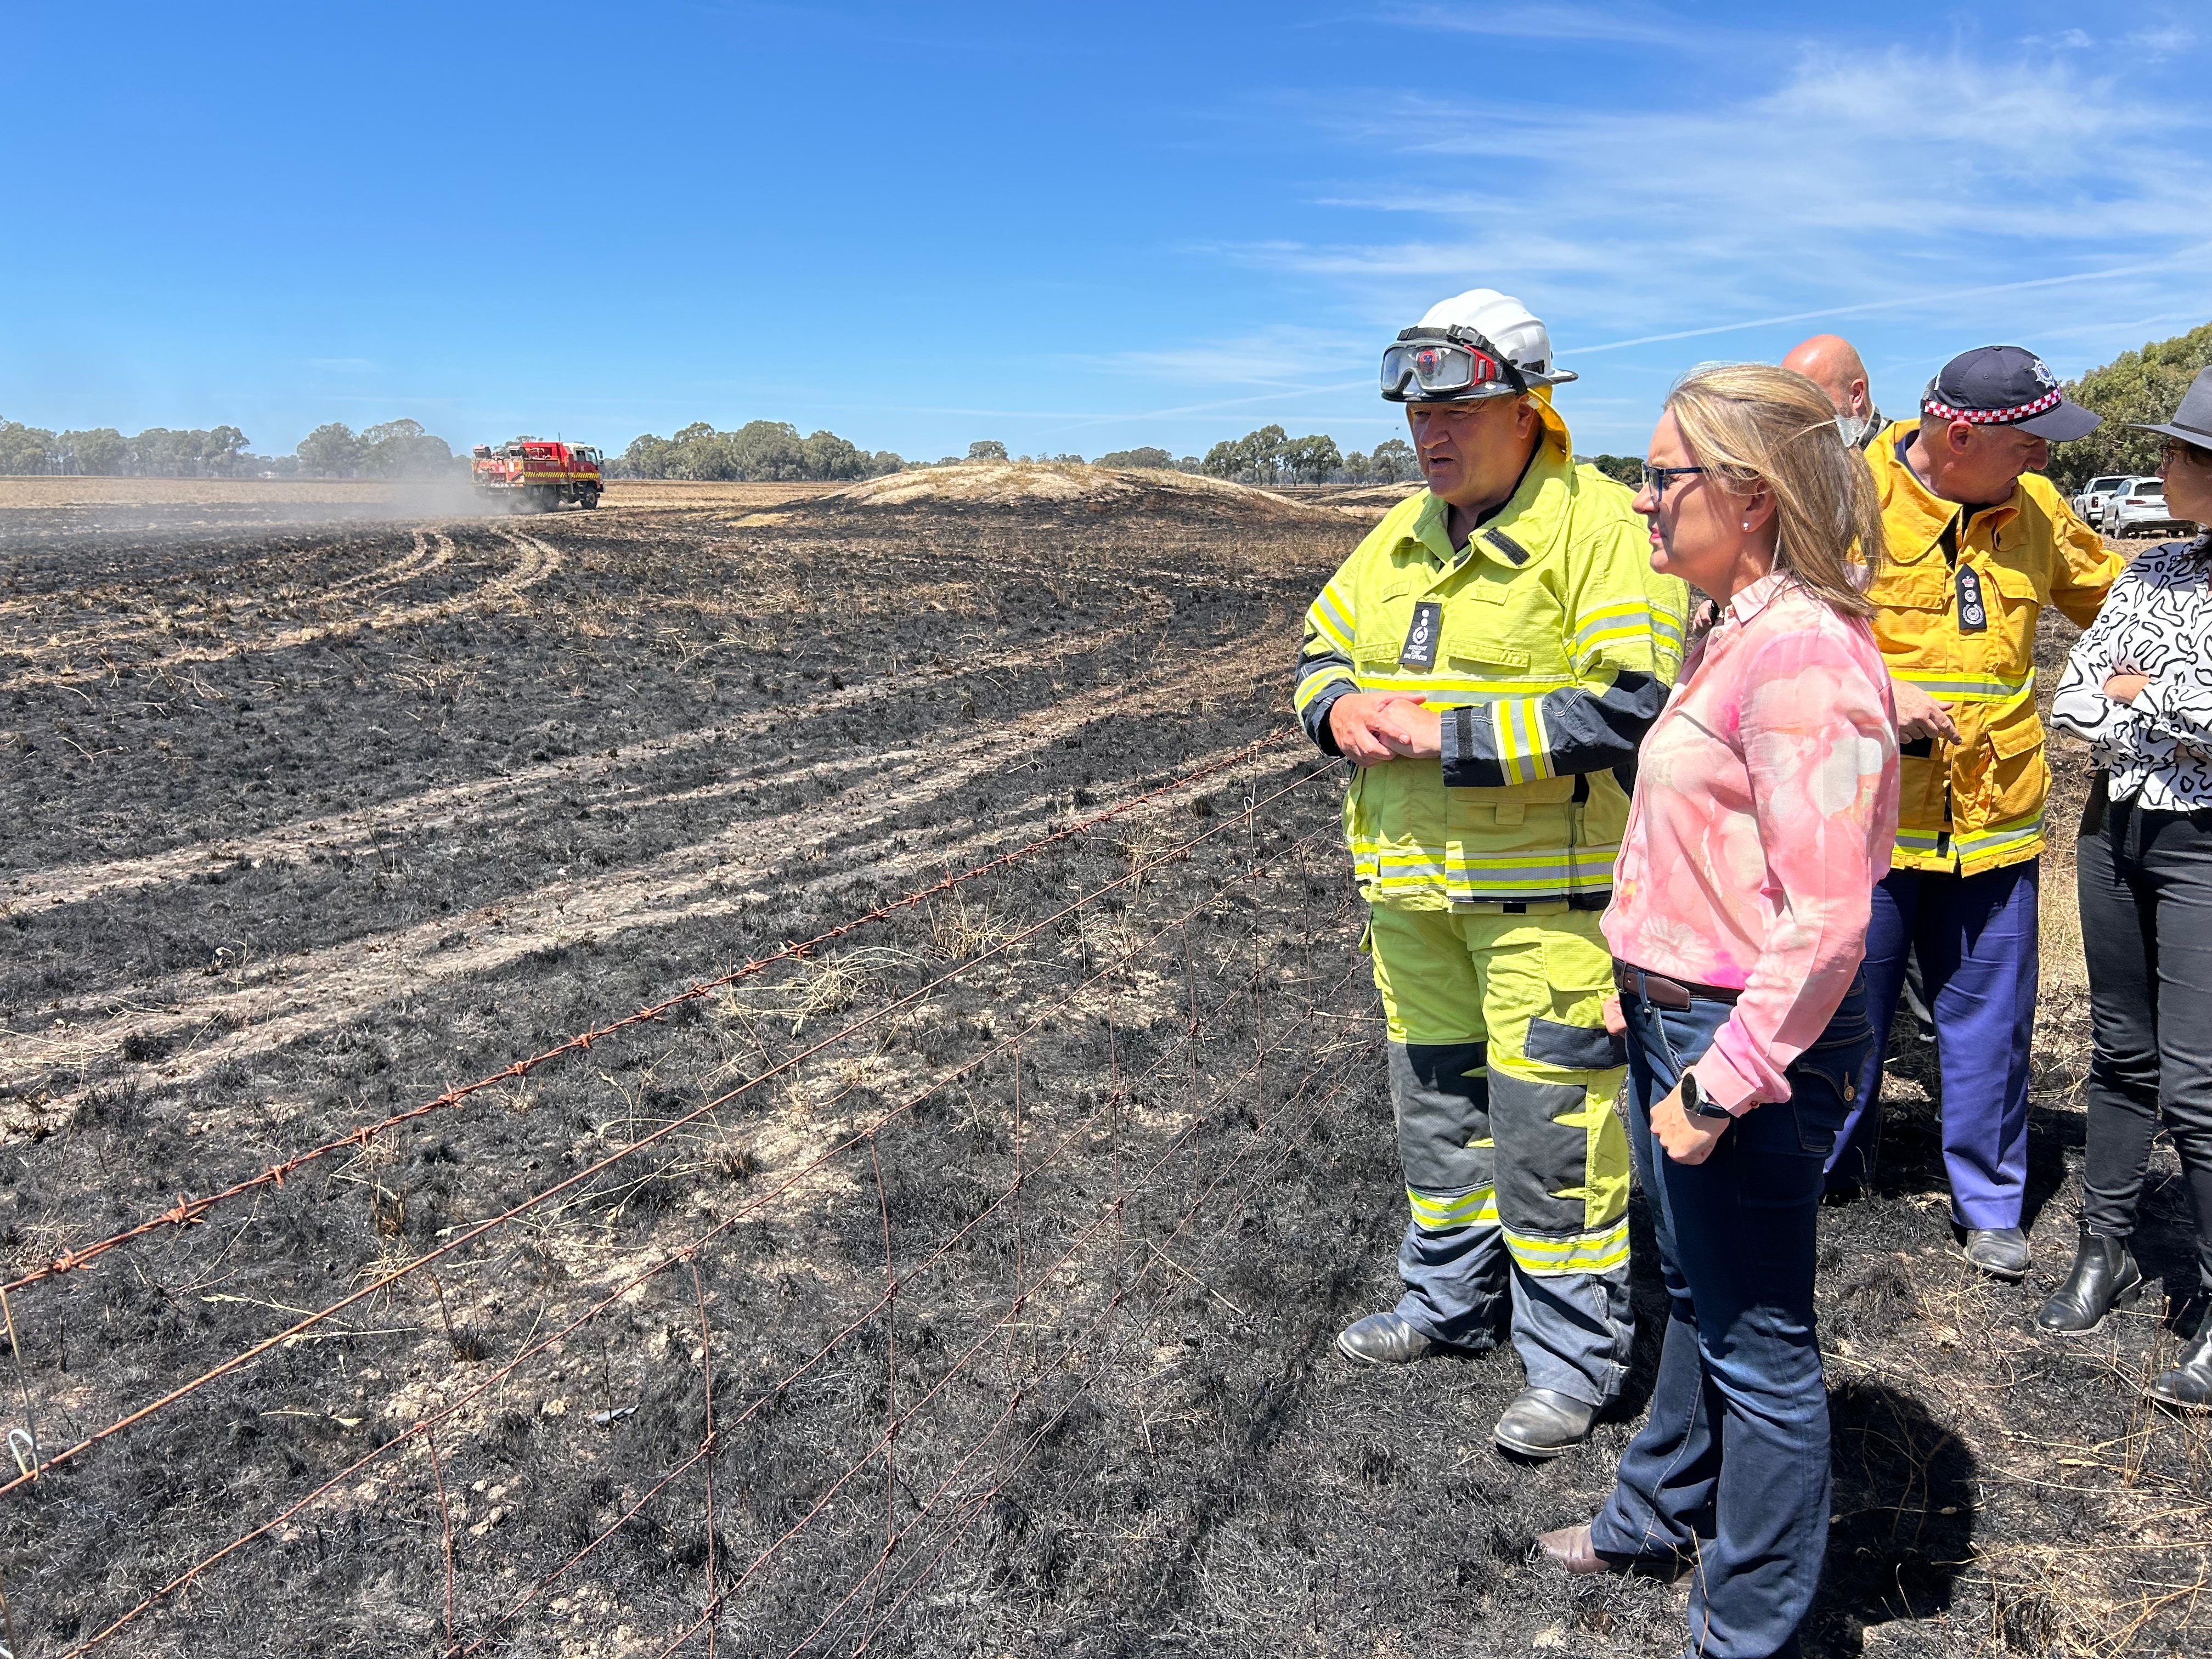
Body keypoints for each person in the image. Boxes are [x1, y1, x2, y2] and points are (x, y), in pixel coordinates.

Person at [1537, 362, 1900, 1658]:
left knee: (1762, 1349)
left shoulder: (1798, 651)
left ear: (1747, 498)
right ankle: (1653, 1517)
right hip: (1684, 1014)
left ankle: (1746, 1634)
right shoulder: (1733, 626)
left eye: (1661, 478)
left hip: (1743, 1040)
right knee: (1696, 1294)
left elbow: (1830, 919)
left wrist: (1719, 1081)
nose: (1639, 503)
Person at [1293, 287, 1688, 1457]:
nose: (1431, 436)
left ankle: (1574, 1362)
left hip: (1545, 913)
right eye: (1417, 415)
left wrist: (1443, 735)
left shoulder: (1602, 527)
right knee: (1440, 1118)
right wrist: (1344, 708)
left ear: (1530, 407)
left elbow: (1632, 705)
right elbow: (1318, 652)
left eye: (1456, 410)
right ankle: (1447, 1304)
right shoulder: (1401, 535)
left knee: (1557, 1131)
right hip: (1409, 902)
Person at [1826, 347, 2121, 1278]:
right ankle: (1828, 1174)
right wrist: (1881, 690)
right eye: (2028, 442)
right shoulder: (1842, 499)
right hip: (1861, 823)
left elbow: (2116, 599)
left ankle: (1989, 1199)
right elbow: (1783, 636)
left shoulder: (2036, 509)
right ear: (1959, 436)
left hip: (1994, 822)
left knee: (1990, 1022)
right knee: (1841, 1016)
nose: (2041, 459)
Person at [2040, 365, 2212, 1409]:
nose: (2159, 465)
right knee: (2118, 1045)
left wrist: (2142, 693)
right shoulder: (2155, 570)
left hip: (2200, 840)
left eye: (2176, 452)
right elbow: (2075, 690)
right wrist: (2149, 698)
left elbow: (2164, 702)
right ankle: (2103, 1245)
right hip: (2114, 825)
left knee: (2195, 1078)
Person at [1781, 333, 1884, 449]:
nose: (1793, 418)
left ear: (1856, 394)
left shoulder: (1901, 456)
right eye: (1788, 406)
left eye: (1810, 401)